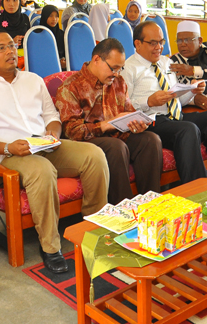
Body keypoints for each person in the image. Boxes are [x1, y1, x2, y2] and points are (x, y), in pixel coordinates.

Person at [0, 31, 109, 273]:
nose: (10, 51)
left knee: (94, 155)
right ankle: (51, 247)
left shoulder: (33, 79)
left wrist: (52, 133)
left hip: (45, 145)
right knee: (41, 169)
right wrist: (8, 147)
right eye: (1, 48)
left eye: (11, 45)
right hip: (8, 155)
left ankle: (92, 228)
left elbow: (52, 117)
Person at [121, 21, 207, 183]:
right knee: (187, 129)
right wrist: (149, 101)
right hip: (151, 120)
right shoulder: (129, 68)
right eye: (153, 43)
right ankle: (197, 187)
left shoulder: (166, 63)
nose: (159, 47)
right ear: (137, 44)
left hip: (174, 115)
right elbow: (124, 105)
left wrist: (191, 91)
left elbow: (176, 99)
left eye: (161, 42)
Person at [56, 39, 162, 204]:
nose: (116, 74)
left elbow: (128, 112)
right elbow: (72, 131)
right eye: (113, 68)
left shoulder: (118, 82)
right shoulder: (70, 87)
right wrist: (107, 124)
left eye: (120, 69)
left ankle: (151, 203)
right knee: (115, 147)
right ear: (97, 59)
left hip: (118, 136)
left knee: (150, 140)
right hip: (87, 143)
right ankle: (124, 209)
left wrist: (136, 124)